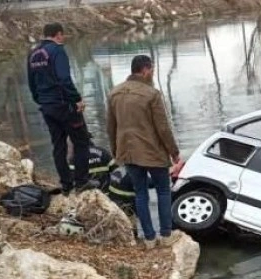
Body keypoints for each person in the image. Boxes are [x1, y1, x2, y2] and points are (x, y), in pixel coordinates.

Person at [107, 55, 181, 249]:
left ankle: (148, 238)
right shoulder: (152, 94)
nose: (152, 74)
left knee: (140, 194)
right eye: (152, 71)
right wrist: (174, 152)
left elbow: (111, 127)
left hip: (128, 153)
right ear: (146, 70)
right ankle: (166, 235)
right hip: (152, 151)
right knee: (164, 191)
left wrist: (116, 152)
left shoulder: (114, 93)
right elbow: (162, 128)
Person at [27, 22, 97, 195]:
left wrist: (42, 101)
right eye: (63, 35)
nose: (63, 38)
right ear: (58, 34)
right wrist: (77, 99)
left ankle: (66, 184)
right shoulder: (57, 51)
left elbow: (32, 84)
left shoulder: (33, 54)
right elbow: (64, 79)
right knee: (81, 142)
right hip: (64, 106)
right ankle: (81, 182)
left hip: (47, 107)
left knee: (58, 146)